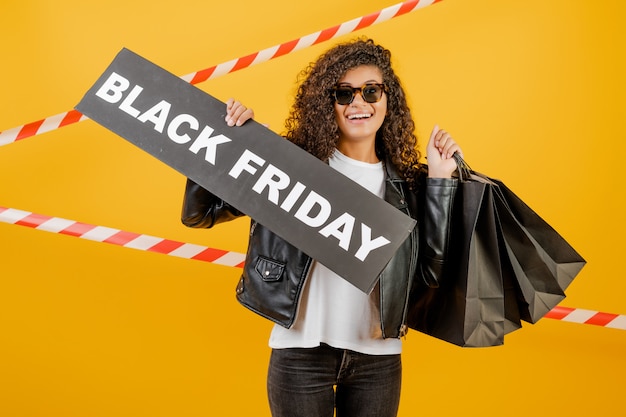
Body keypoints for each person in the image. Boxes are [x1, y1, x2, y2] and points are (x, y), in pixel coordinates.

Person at [181, 37, 462, 417]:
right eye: (343, 94)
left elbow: (429, 273)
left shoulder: (408, 185)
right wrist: (227, 144)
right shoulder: (289, 167)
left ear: (387, 99)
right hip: (299, 354)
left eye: (371, 91)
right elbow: (200, 215)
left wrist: (442, 180)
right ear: (325, 104)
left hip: (377, 361)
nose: (358, 103)